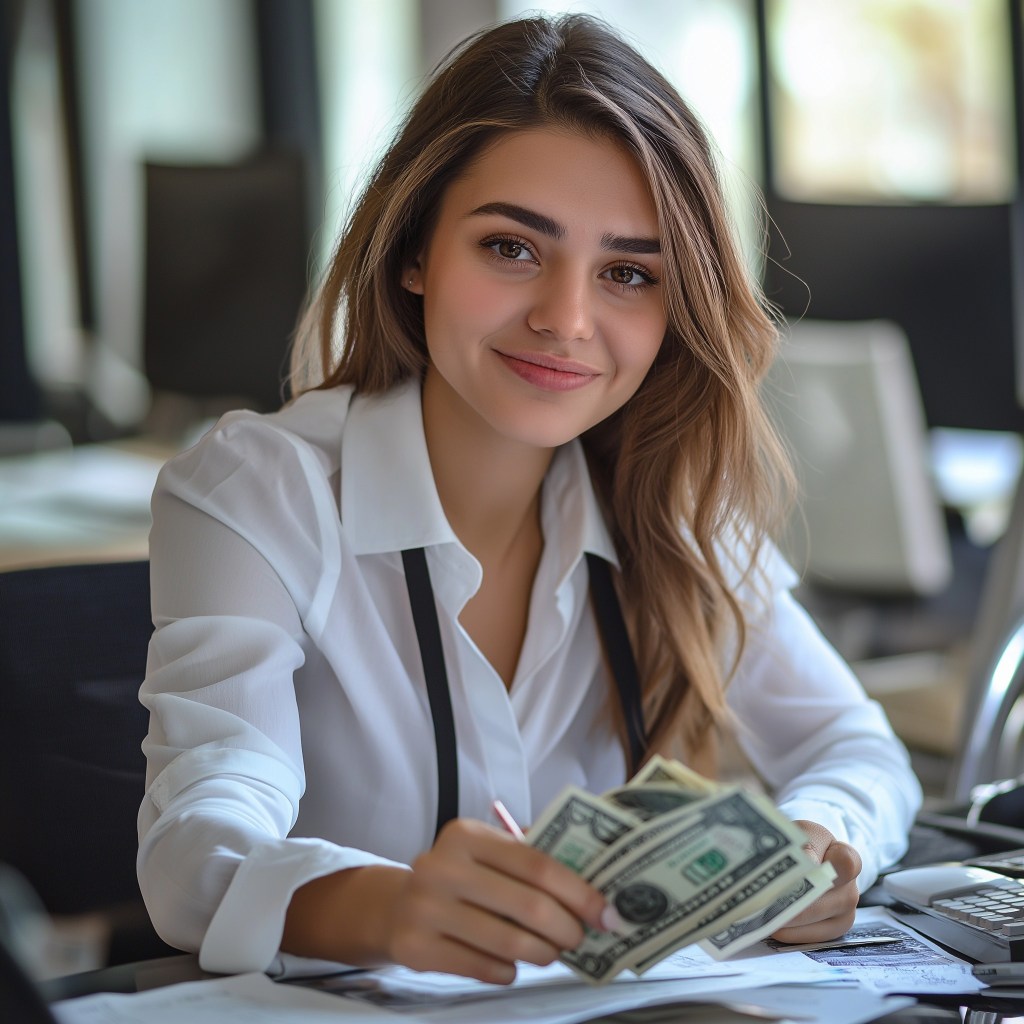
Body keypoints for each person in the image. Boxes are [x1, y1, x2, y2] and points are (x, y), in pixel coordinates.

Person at [137, 13, 921, 984]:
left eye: (629, 273)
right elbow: (191, 851)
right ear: (415, 250)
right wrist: (388, 906)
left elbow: (854, 747)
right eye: (511, 248)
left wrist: (821, 840)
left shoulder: (666, 502)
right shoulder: (260, 491)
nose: (566, 318)